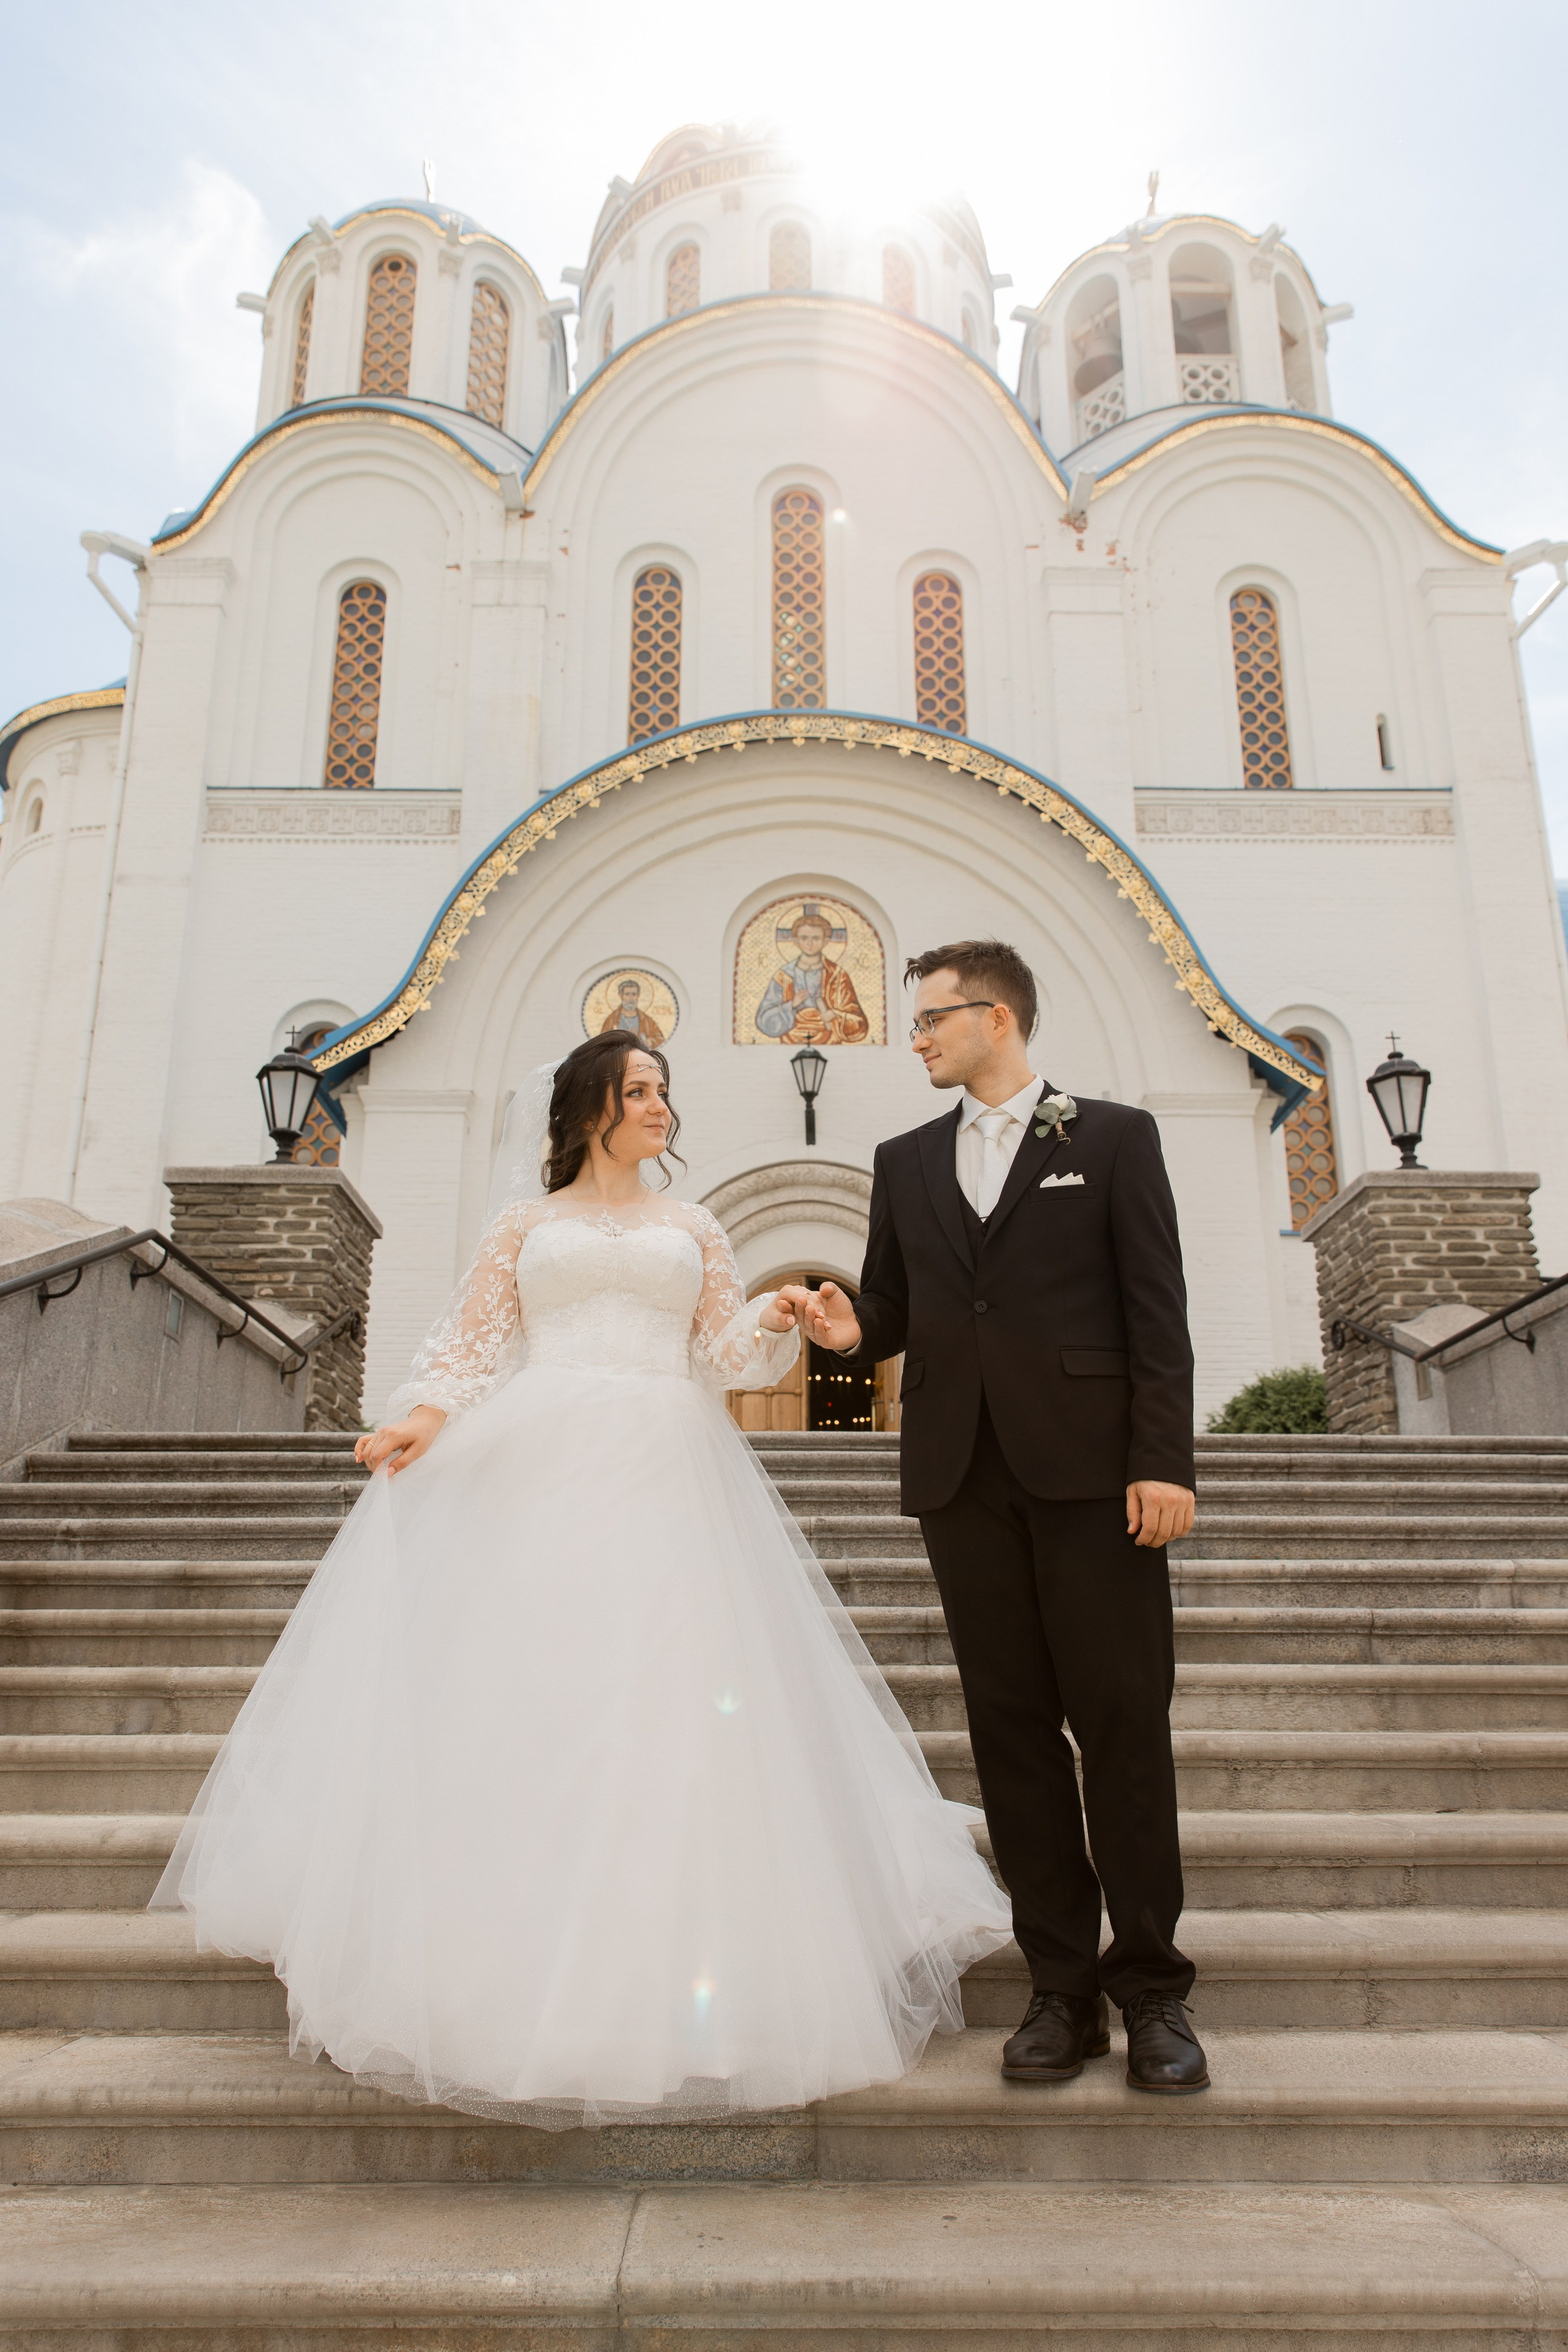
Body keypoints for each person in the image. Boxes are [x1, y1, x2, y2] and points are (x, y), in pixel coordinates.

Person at [152, 1031, 1009, 2128]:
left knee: (668, 1701)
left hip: (668, 1462)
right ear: (591, 1108)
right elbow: (472, 1344)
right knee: (537, 1700)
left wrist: (773, 1320)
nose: (662, 1107)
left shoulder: (696, 1226)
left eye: (664, 1091)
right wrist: (420, 1419)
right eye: (640, 1090)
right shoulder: (525, 1225)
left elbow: (724, 1362)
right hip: (541, 1456)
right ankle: (500, 1964)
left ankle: (678, 1971)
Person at [802, 939, 1208, 2095]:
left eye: (930, 1018)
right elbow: (896, 1303)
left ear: (998, 1019)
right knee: (1012, 1738)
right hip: (961, 1477)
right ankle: (1061, 1991)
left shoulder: (1114, 1138)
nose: (915, 1038)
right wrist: (849, 1331)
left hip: (1095, 1477)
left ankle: (1155, 1997)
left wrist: (1162, 1458)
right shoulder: (904, 1158)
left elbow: (1156, 1312)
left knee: (1123, 1728)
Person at [755, 905, 870, 1044]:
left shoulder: (837, 976)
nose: (809, 943)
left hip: (829, 1037)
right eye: (804, 938)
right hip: (792, 1037)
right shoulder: (784, 976)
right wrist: (791, 1005)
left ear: (826, 941)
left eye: (816, 938)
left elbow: (859, 1023)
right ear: (796, 941)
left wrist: (834, 1015)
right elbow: (764, 1019)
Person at [598, 975, 666, 1047]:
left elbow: (660, 1039)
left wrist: (651, 1042)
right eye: (627, 994)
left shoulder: (646, 1021)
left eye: (634, 994)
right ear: (621, 995)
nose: (631, 998)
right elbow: (602, 1041)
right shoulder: (612, 1020)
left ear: (638, 996)